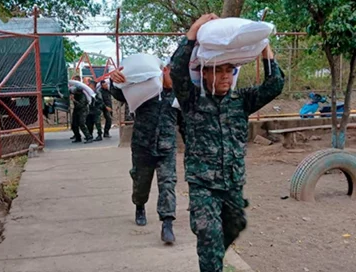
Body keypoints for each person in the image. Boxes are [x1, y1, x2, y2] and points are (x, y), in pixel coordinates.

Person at [170, 14, 285, 272]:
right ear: (206, 73)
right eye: (218, 70)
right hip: (203, 185)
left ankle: (214, 257)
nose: (224, 76)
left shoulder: (241, 101)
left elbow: (275, 84)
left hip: (233, 181)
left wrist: (263, 45)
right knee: (208, 233)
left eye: (228, 70)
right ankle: (212, 261)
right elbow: (177, 71)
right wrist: (192, 33)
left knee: (236, 225)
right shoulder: (192, 101)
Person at [109, 61, 182, 244]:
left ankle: (167, 224)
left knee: (168, 183)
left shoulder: (179, 96)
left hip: (167, 147)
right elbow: (120, 93)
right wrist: (114, 80)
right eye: (174, 73)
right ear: (164, 70)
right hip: (142, 146)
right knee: (141, 183)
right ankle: (139, 205)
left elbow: (185, 123)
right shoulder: (146, 88)